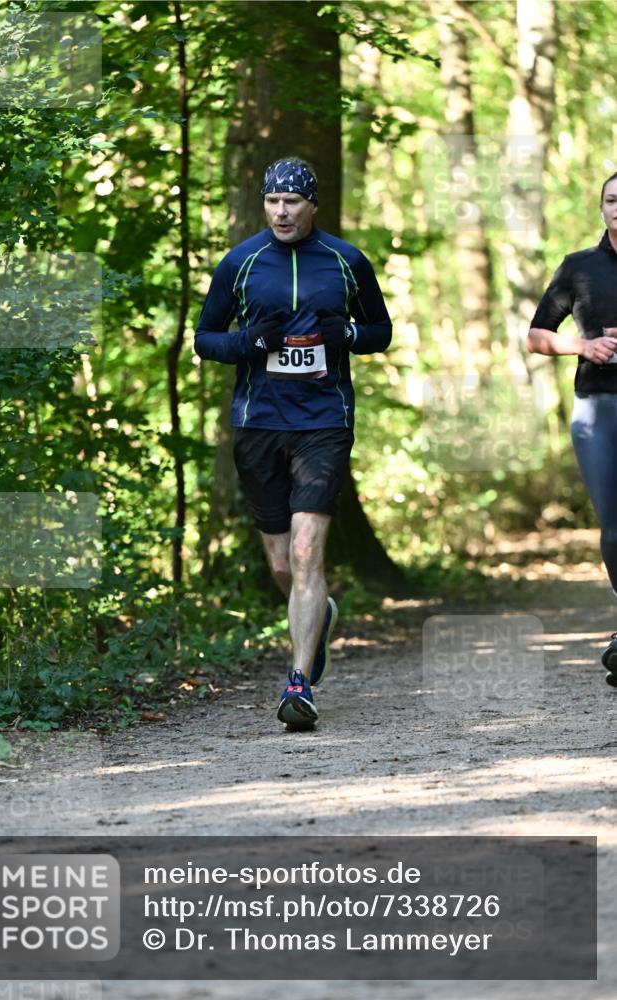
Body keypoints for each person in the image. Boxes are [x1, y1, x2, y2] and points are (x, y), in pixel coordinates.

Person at [194, 157, 391, 726]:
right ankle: (318, 614)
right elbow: (207, 338)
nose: (282, 211)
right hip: (260, 422)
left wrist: (348, 334)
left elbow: (380, 330)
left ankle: (299, 684)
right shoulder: (242, 262)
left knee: (307, 553)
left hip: (324, 420)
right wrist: (250, 343)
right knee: (283, 565)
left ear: (312, 206)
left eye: (292, 202)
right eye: (273, 201)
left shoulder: (347, 261)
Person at [527, 172, 617, 687]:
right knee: (615, 521)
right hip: (598, 408)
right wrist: (583, 347)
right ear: (600, 207)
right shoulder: (579, 268)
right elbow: (537, 335)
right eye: (610, 199)